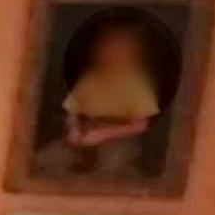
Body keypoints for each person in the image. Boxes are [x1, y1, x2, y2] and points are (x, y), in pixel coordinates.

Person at [36, 16, 161, 179]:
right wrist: (74, 130)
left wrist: (103, 135)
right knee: (48, 159)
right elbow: (72, 110)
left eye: (120, 50)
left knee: (111, 166)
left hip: (117, 139)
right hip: (85, 133)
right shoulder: (90, 80)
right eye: (107, 48)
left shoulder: (137, 85)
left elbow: (140, 125)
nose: (112, 55)